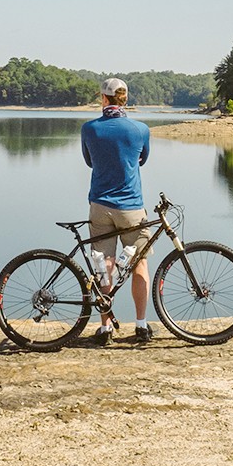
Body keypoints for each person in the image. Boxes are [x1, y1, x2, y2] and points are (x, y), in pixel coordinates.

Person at [80, 77, 153, 345]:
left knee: (103, 264)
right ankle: (142, 325)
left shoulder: (89, 129)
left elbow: (89, 161)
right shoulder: (140, 129)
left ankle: (105, 326)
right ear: (126, 98)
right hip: (132, 206)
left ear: (103, 98)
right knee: (139, 264)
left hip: (99, 204)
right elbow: (142, 159)